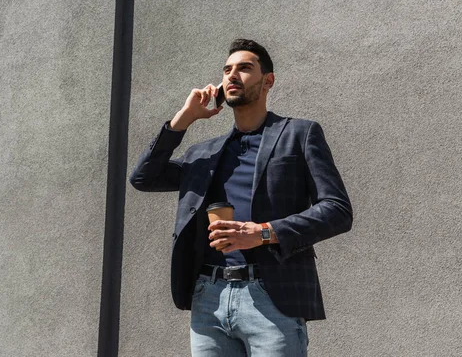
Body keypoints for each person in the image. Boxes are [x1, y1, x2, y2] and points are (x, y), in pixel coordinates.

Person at [129, 39, 352, 356]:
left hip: (272, 296)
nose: (232, 75)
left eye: (245, 68)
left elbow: (337, 210)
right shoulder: (204, 153)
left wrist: (262, 233)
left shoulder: (299, 135)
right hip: (210, 298)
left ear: (268, 81)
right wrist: (184, 118)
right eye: (227, 70)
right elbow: (143, 177)